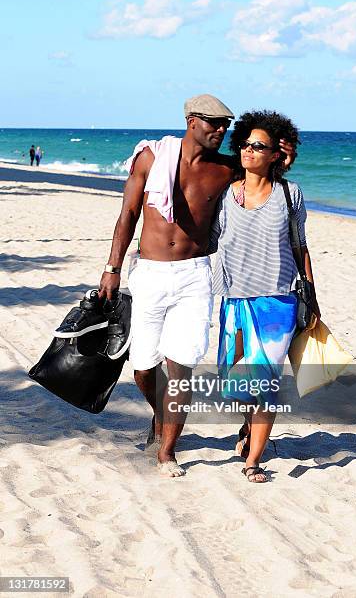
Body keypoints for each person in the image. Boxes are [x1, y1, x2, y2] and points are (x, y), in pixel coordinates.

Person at [99, 96, 296, 478]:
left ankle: (167, 451)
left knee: (180, 368)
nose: (221, 131)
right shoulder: (152, 158)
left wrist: (284, 160)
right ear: (191, 120)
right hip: (151, 273)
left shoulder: (225, 170)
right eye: (213, 123)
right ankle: (162, 415)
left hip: (195, 276)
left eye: (226, 125)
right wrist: (112, 267)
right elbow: (128, 213)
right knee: (143, 366)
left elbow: (263, 178)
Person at [210, 110, 320, 483]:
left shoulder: (290, 194)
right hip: (233, 300)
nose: (248, 150)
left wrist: (313, 298)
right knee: (237, 384)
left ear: (276, 153)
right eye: (245, 143)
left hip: (277, 303)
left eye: (259, 146)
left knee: (265, 385)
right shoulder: (225, 191)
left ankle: (253, 460)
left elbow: (301, 246)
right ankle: (247, 428)